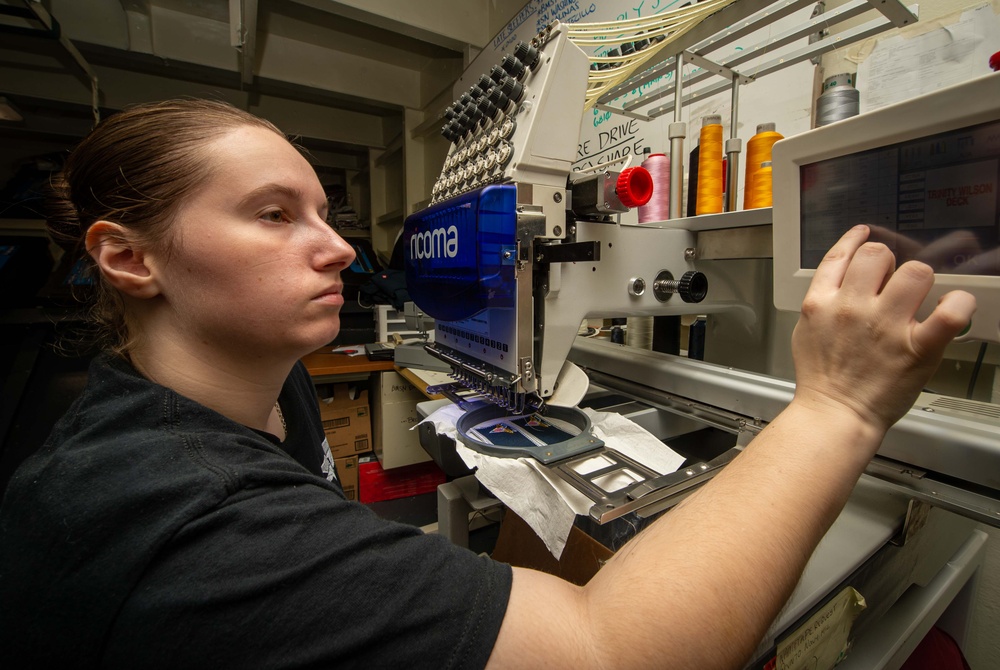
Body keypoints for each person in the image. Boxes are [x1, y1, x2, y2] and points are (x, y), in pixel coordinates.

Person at [0, 99, 976, 669]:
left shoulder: (264, 382)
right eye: (271, 214)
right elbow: (610, 653)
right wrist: (839, 404)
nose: (338, 245)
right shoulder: (176, 519)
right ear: (128, 259)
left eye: (323, 211)